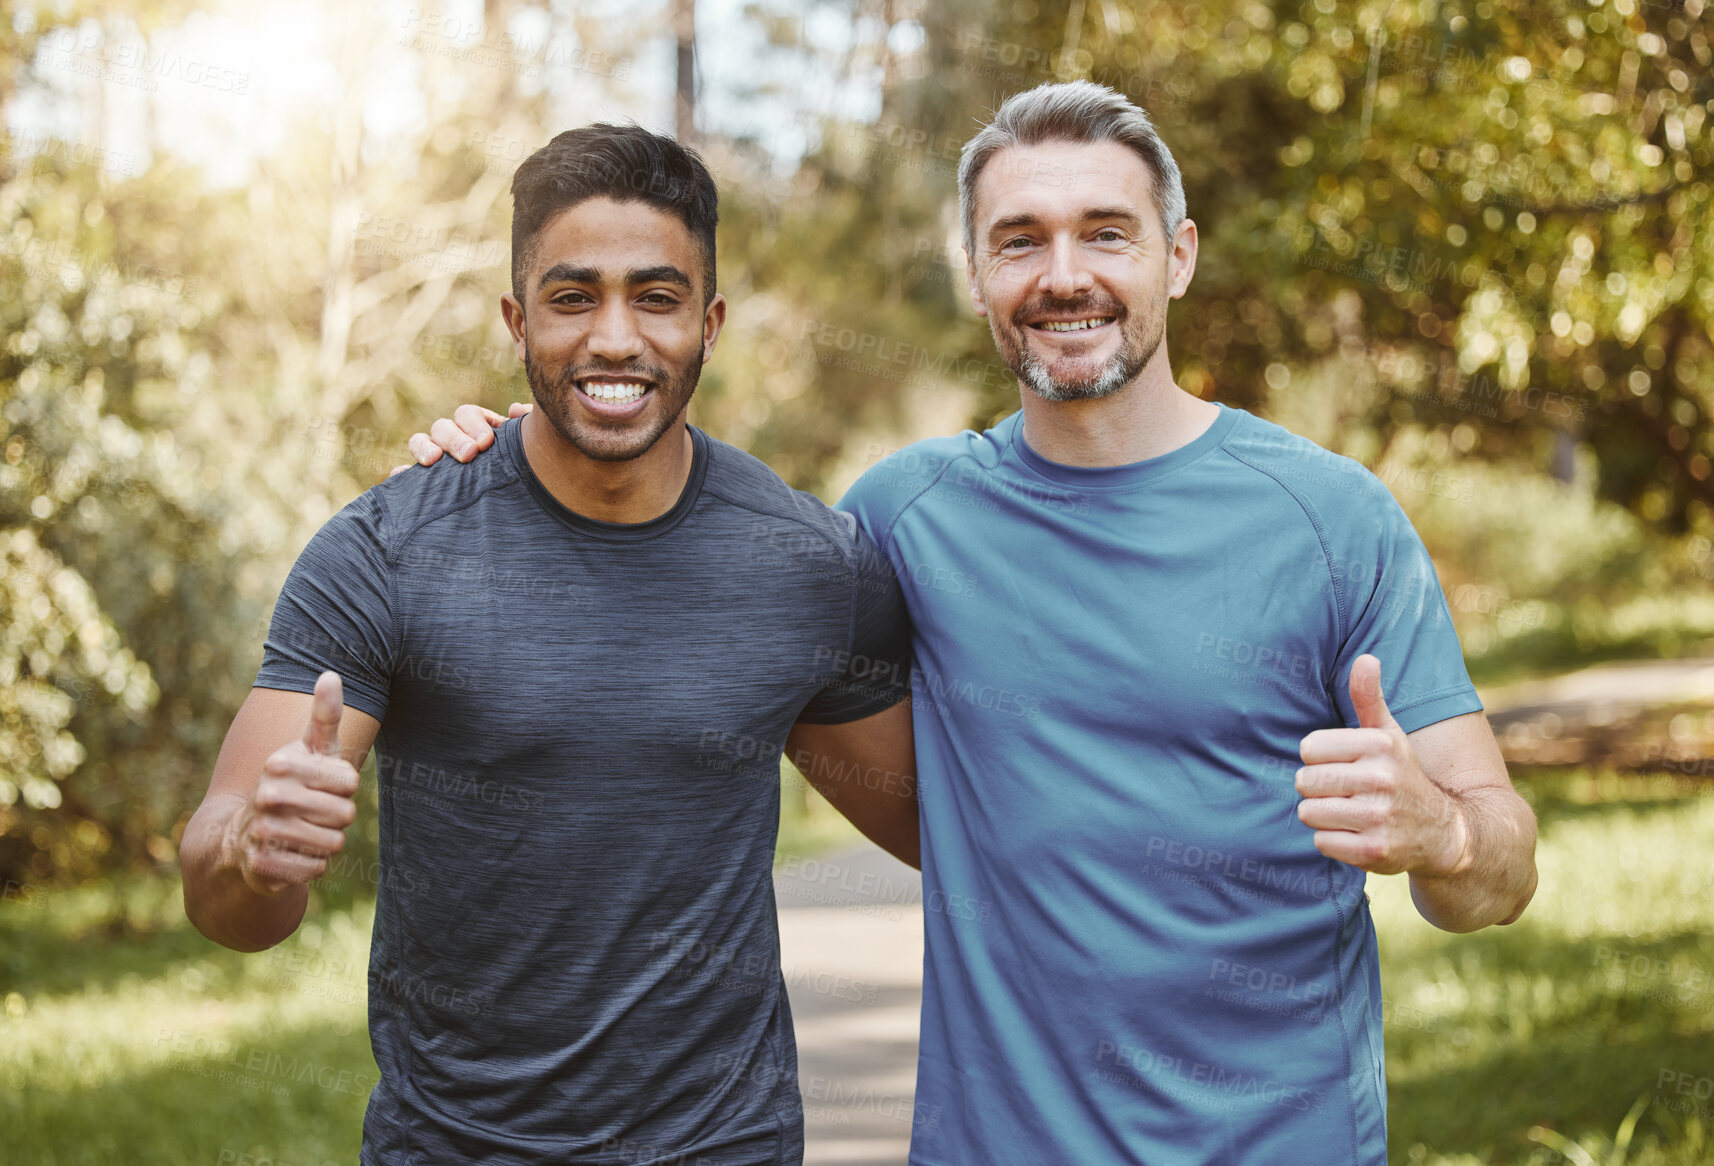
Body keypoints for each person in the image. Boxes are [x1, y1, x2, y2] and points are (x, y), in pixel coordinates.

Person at [409, 82, 1538, 1166]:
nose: (1064, 275)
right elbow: (678, 543)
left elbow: (1499, 870)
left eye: (1107, 233)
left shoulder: (1333, 517)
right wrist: (526, 456)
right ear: (975, 272)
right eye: (1019, 239)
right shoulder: (900, 517)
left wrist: (1438, 830)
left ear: (1176, 256)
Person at [181, 123, 921, 1166]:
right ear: (516, 319)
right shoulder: (387, 549)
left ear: (709, 322)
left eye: (655, 297)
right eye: (573, 297)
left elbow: (951, 831)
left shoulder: (808, 562)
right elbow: (223, 896)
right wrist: (253, 854)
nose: (614, 338)